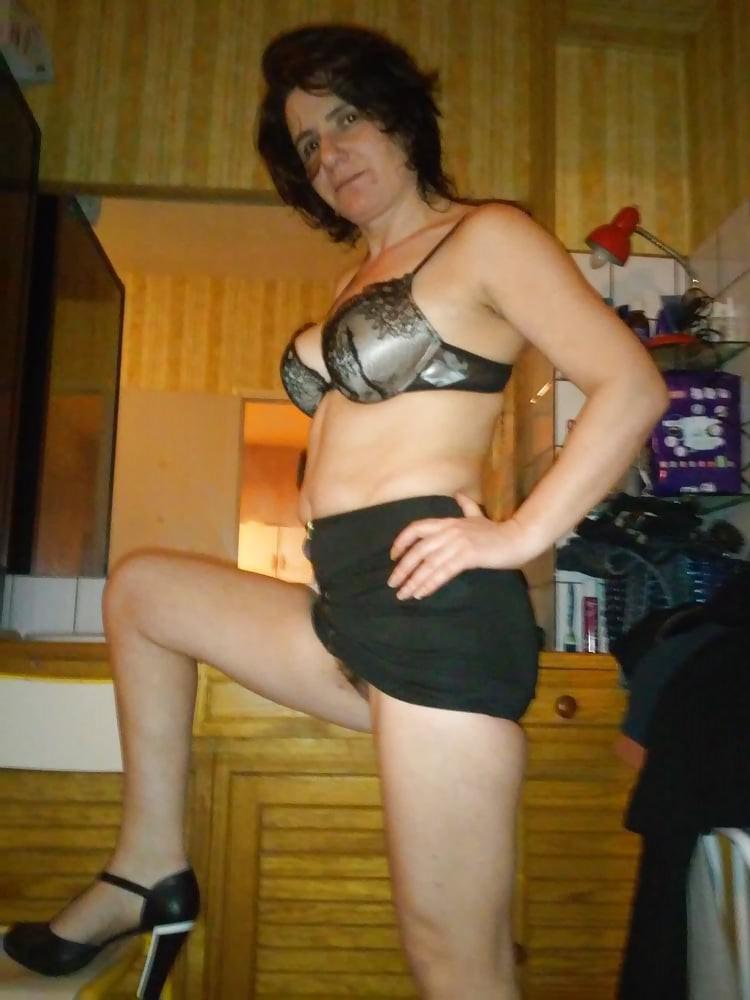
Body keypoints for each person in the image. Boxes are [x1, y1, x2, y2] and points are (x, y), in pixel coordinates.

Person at [3, 23, 668, 1000]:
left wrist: (519, 532)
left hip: (434, 616)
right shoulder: (353, 276)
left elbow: (632, 386)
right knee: (142, 594)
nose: (330, 155)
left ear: (400, 115)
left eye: (347, 120)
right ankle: (148, 869)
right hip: (347, 602)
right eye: (309, 144)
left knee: (453, 962)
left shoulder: (487, 236)